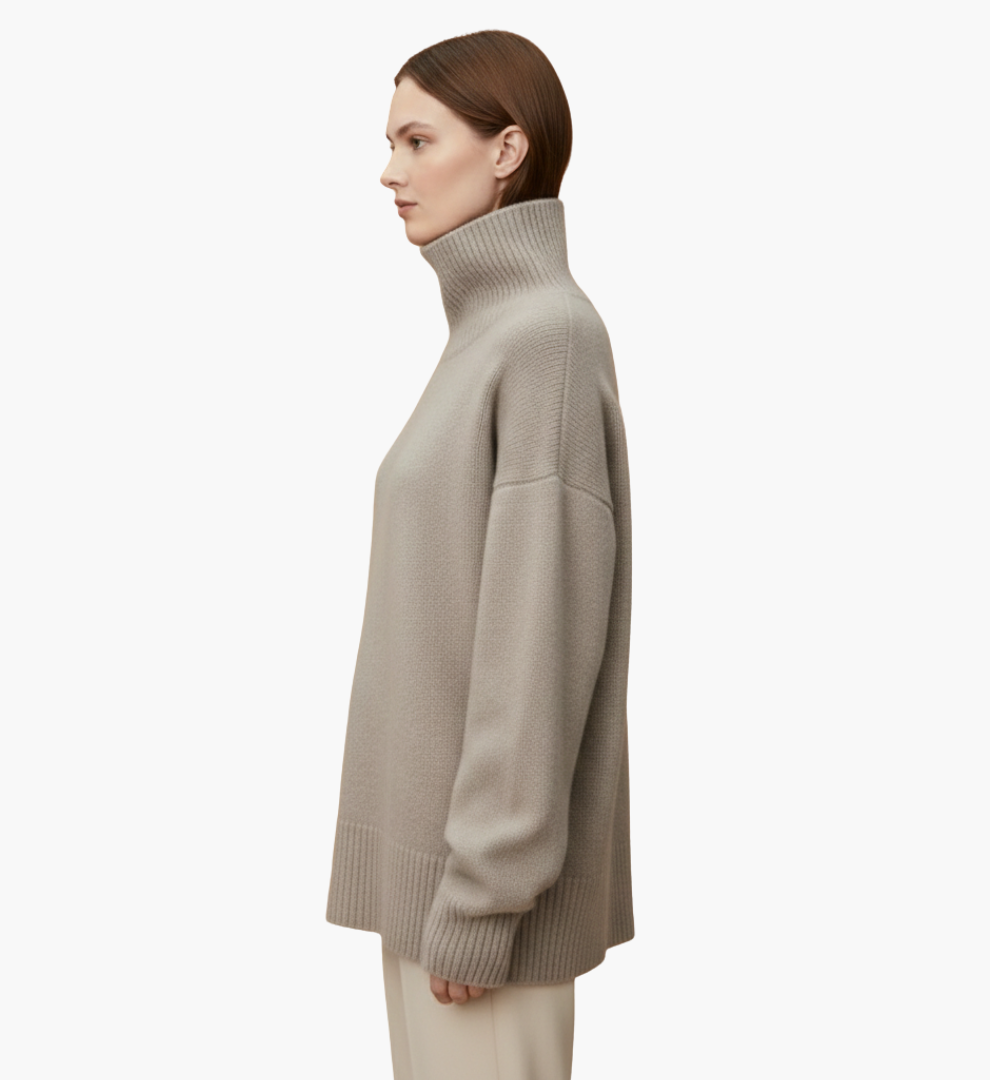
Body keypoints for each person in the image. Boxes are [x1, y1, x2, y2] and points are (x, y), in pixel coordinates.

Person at [325, 29, 635, 1080]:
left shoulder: (546, 339)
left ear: (507, 150)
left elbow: (536, 645)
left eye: (418, 140)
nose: (390, 171)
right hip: (440, 892)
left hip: (478, 913)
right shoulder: (488, 334)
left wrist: (483, 896)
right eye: (391, 143)